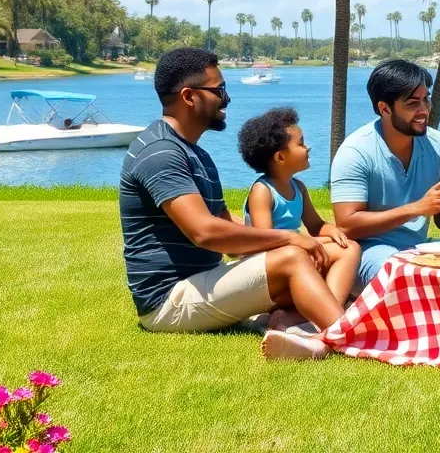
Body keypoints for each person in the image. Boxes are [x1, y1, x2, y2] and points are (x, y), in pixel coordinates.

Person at [118, 48, 341, 361]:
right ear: (189, 96)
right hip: (168, 301)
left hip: (204, 281)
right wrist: (288, 239)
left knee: (329, 252)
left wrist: (305, 242)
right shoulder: (161, 152)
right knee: (292, 257)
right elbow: (205, 232)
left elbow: (225, 222)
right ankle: (353, 338)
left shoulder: (196, 154)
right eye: (219, 90)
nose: (227, 98)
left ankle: (304, 327)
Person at [331, 60, 440, 293]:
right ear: (384, 109)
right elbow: (347, 225)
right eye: (412, 103)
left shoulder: (439, 144)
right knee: (406, 275)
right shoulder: (356, 151)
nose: (424, 110)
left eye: (426, 99)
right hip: (368, 253)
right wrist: (417, 208)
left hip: (418, 248)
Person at [238, 107, 361, 324]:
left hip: (292, 255)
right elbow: (265, 240)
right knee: (348, 251)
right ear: (280, 157)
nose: (308, 147)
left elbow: (315, 225)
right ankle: (328, 315)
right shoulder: (262, 191)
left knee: (349, 247)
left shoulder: (299, 188)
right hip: (270, 269)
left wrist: (331, 230)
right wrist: (305, 246)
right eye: (301, 143)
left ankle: (320, 312)